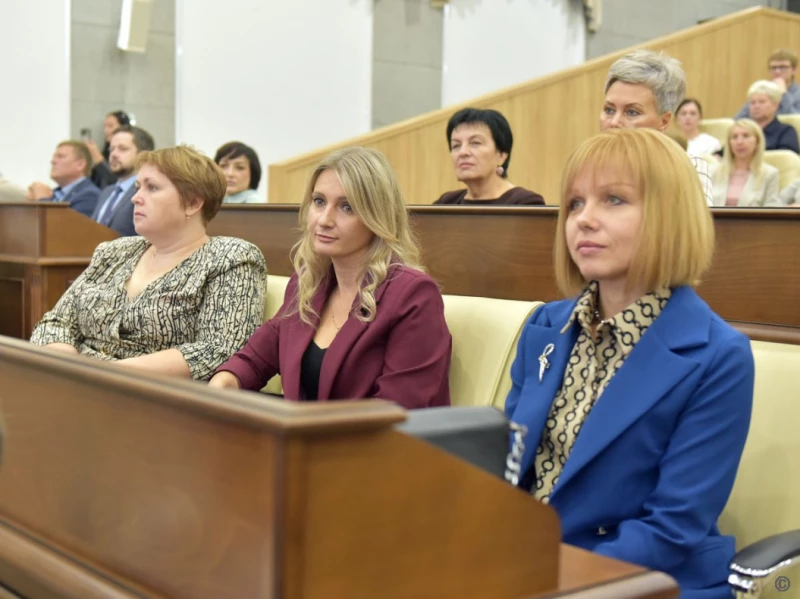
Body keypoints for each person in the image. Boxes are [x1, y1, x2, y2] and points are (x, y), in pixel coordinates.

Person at [505, 128, 753, 599]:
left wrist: (550, 578)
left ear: (669, 215)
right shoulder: (546, 325)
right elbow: (508, 465)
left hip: (640, 578)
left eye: (613, 200)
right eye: (575, 203)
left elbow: (672, 527)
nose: (583, 220)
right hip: (525, 561)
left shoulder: (719, 355)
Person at [210, 146, 452, 409]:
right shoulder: (308, 283)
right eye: (319, 201)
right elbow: (255, 359)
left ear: (377, 217)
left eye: (347, 207)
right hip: (302, 432)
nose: (324, 220)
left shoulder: (413, 295)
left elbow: (396, 410)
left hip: (371, 436)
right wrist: (222, 384)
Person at [30, 145, 267, 381]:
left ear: (193, 203)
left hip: (157, 394)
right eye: (137, 187)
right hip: (76, 382)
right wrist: (68, 368)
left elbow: (218, 350)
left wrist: (103, 374)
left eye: (152, 187)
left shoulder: (231, 257)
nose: (135, 198)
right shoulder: (113, 251)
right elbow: (56, 323)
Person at [600, 49, 714, 206]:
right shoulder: (587, 166)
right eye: (609, 110)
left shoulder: (689, 168)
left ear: (664, 121)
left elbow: (697, 222)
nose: (614, 122)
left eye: (632, 112)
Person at [434, 108, 545, 205]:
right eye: (456, 145)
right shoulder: (446, 202)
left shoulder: (525, 202)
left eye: (475, 143)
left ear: (501, 155)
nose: (463, 152)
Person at [91, 125, 155, 236]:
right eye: (111, 149)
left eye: (122, 149)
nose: (113, 154)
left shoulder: (148, 192)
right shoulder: (107, 192)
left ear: (142, 155)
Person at [711, 119, 779, 207]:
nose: (739, 142)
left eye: (746, 136)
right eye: (734, 137)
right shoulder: (712, 171)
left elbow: (772, 209)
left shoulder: (769, 174)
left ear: (757, 141)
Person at [26, 141, 101, 217]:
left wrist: (42, 200)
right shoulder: (54, 193)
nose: (53, 161)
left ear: (80, 165)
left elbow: (63, 223)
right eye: (54, 157)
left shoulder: (89, 195)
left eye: (61, 157)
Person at [735, 49, 800, 119]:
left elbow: (795, 120)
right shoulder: (761, 91)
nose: (777, 71)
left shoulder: (798, 94)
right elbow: (739, 119)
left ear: (793, 70)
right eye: (773, 68)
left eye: (783, 67)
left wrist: (783, 95)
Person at [744, 80, 800, 153]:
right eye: (752, 103)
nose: (756, 106)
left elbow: (786, 158)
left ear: (775, 105)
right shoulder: (742, 131)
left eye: (762, 102)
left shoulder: (786, 132)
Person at [86, 110, 132, 189]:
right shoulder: (105, 152)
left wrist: (97, 158)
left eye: (110, 126)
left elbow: (116, 179)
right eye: (105, 126)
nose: (106, 130)